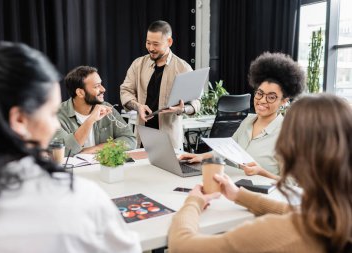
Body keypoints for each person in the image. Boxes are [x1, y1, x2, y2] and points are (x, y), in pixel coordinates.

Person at [0, 42, 141, 253]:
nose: (54, 125)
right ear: (20, 120)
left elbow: (128, 138)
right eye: (50, 113)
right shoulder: (82, 198)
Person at [168, 94, 352, 253]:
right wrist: (239, 195)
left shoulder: (279, 232)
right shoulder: (336, 214)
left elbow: (181, 246)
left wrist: (193, 202)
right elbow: (296, 212)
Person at [180, 52, 305, 180]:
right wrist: (200, 156)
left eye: (271, 97)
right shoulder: (248, 120)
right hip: (237, 189)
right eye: (259, 93)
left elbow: (291, 184)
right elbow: (227, 149)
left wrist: (261, 172)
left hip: (265, 196)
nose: (262, 100)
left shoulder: (288, 135)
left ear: (284, 101)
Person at [120, 20, 200, 149]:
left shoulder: (183, 68)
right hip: (142, 138)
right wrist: (137, 106)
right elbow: (125, 91)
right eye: (148, 42)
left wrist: (183, 109)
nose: (151, 48)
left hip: (169, 140)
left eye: (156, 44)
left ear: (169, 42)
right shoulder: (138, 64)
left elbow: (196, 102)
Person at [54, 66, 136, 156]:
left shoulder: (106, 107)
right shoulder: (57, 115)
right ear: (80, 93)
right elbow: (64, 151)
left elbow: (130, 140)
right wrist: (91, 120)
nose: (103, 89)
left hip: (104, 167)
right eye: (96, 86)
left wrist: (94, 149)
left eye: (101, 84)